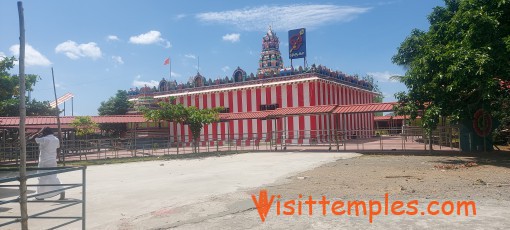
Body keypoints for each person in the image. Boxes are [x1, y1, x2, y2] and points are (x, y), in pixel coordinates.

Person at [31, 127, 65, 200]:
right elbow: (58, 147)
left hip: (44, 161)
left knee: (41, 177)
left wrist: (37, 133)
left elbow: (32, 139)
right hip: (52, 160)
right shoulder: (56, 139)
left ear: (45, 133)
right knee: (53, 176)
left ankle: (40, 196)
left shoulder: (44, 139)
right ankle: (61, 190)